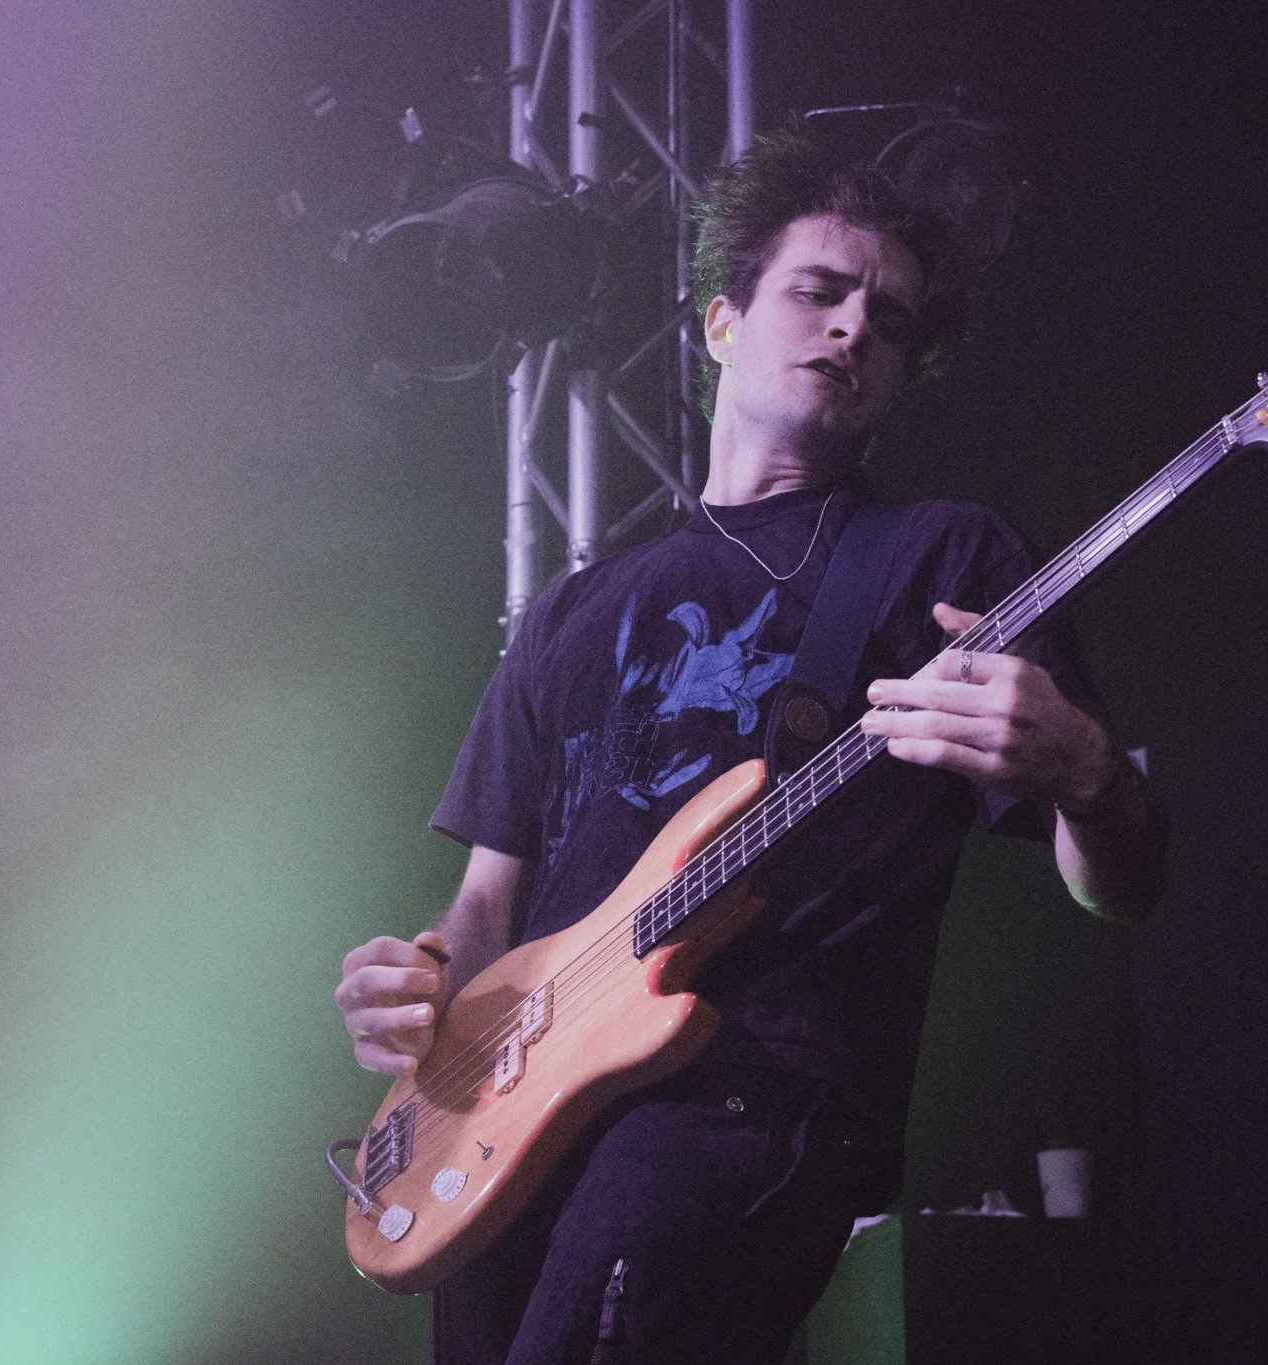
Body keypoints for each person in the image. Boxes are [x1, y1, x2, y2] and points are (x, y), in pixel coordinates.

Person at [333, 132, 1166, 1364]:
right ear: (721, 323)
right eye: (818, 291)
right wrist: (418, 989)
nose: (853, 327)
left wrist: (1086, 774)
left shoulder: (942, 558)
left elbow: (1125, 888)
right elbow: (487, 907)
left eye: (888, 320)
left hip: (746, 1099)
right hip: (515, 1120)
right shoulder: (572, 611)